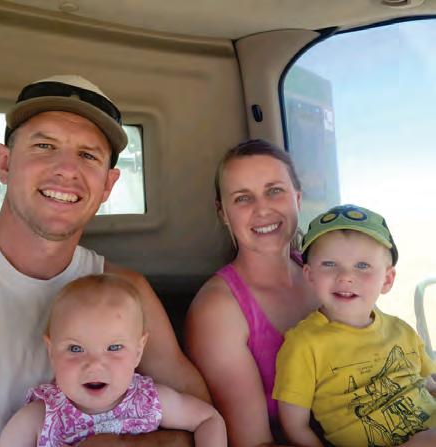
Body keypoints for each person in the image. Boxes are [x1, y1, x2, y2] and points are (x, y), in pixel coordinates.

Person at [0, 74, 209, 447]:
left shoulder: (128, 293)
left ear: (107, 185)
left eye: (88, 155)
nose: (67, 169)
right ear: (4, 163)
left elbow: (202, 418)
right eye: (44, 146)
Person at [185, 139, 319, 446]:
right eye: (243, 198)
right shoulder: (218, 310)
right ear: (223, 213)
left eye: (274, 191)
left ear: (297, 198)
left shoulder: (325, 273)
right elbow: (254, 442)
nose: (262, 209)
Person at [273, 204, 436, 447]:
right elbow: (295, 426)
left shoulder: (401, 331)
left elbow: (429, 386)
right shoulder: (303, 345)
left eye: (362, 266)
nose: (346, 276)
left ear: (387, 279)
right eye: (329, 264)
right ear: (310, 275)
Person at [0, 274, 227, 447]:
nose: (95, 364)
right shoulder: (40, 417)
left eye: (114, 348)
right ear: (51, 351)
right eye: (75, 349)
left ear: (138, 352)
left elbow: (208, 419)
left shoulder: (149, 400)